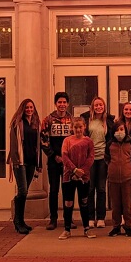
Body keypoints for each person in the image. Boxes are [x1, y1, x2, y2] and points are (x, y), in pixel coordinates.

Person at [6, 98, 41, 235]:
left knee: (24, 192)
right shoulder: (17, 123)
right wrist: (15, 161)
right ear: (22, 108)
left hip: (32, 161)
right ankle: (17, 221)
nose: (29, 110)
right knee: (23, 191)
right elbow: (14, 144)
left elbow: (37, 144)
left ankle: (21, 220)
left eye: (31, 107)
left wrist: (38, 163)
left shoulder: (35, 123)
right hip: (20, 162)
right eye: (27, 107)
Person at [41, 92, 74, 230]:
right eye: (59, 102)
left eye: (64, 102)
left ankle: (69, 219)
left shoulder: (72, 120)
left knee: (68, 190)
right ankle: (53, 219)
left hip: (69, 162)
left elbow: (75, 140)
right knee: (54, 190)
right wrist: (54, 156)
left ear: (67, 104)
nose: (62, 105)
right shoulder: (48, 120)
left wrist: (68, 158)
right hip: (54, 161)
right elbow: (44, 141)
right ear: (55, 103)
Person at [59, 117, 95, 240]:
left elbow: (91, 158)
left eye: (80, 127)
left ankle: (86, 228)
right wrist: (74, 170)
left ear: (84, 127)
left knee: (84, 202)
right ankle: (67, 229)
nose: (78, 129)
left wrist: (82, 171)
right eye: (75, 127)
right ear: (71, 128)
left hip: (84, 177)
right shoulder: (67, 141)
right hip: (68, 176)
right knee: (68, 202)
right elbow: (64, 157)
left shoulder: (89, 141)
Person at [81, 97, 115, 228]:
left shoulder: (109, 121)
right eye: (96, 105)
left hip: (103, 158)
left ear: (104, 106)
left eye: (101, 105)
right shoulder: (87, 119)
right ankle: (90, 217)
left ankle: (101, 217)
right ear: (92, 107)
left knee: (101, 188)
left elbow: (111, 138)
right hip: (89, 158)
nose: (99, 107)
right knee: (90, 188)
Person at [106, 119, 131, 237]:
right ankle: (116, 227)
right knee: (116, 205)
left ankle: (128, 226)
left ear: (125, 130)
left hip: (127, 178)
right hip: (113, 178)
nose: (119, 132)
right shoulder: (109, 144)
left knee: (127, 204)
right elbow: (106, 159)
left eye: (122, 129)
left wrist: (130, 169)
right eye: (117, 130)